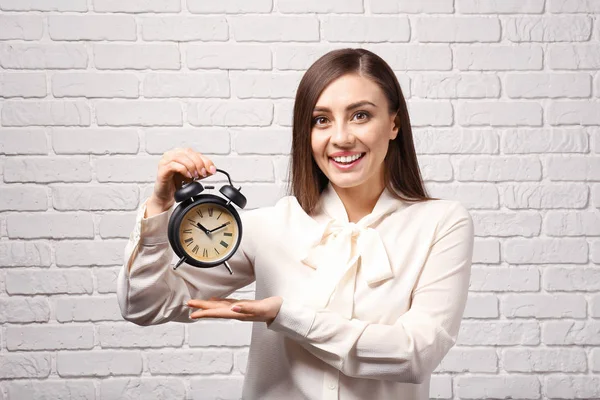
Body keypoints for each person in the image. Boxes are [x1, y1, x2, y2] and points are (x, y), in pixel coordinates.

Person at [117, 48, 474, 400]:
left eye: (360, 115)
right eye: (321, 120)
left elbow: (416, 355)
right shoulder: (270, 227)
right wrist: (160, 209)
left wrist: (287, 316)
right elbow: (144, 306)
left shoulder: (441, 224)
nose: (341, 137)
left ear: (394, 123)